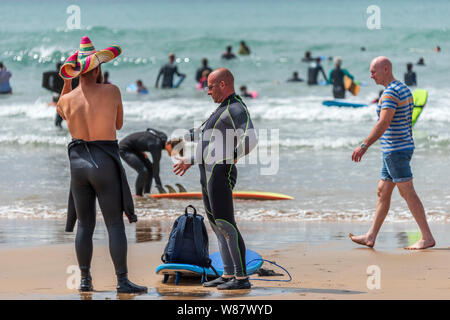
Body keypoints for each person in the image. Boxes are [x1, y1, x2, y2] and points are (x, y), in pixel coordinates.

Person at [57, 36, 147, 293]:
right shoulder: (112, 91)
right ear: (97, 68)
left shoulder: (67, 99)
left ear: (77, 72)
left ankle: (85, 281)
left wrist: (66, 80)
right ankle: (122, 282)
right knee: (114, 224)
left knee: (85, 225)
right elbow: (118, 125)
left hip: (78, 165)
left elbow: (61, 109)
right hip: (105, 162)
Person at [173, 68, 258, 290]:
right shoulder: (221, 110)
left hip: (220, 173)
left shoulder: (236, 108)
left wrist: (233, 157)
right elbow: (205, 139)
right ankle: (228, 273)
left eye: (210, 87)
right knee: (217, 226)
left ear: (223, 84)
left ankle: (241, 278)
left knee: (226, 224)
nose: (207, 92)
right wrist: (186, 154)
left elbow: (252, 138)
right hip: (207, 174)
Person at [349, 56, 435, 250]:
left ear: (386, 69)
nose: (370, 76)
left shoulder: (389, 94)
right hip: (398, 148)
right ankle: (370, 236)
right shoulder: (403, 88)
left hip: (395, 151)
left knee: (408, 192)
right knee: (383, 191)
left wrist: (364, 146)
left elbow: (383, 123)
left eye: (373, 71)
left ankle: (427, 237)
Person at [119, 129, 183, 197]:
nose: (175, 154)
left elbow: (149, 130)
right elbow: (156, 170)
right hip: (125, 149)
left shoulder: (163, 137)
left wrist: (140, 147)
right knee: (143, 171)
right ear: (169, 145)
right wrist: (161, 190)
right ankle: (138, 195)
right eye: (175, 151)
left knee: (150, 170)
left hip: (135, 149)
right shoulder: (156, 146)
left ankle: (147, 193)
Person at [42, 62, 79, 127]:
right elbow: (45, 74)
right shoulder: (60, 74)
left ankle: (60, 127)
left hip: (63, 96)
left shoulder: (68, 76)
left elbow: (45, 74)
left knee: (60, 116)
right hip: (62, 96)